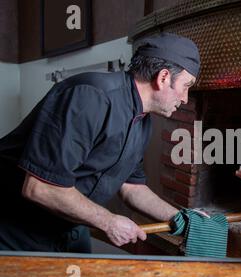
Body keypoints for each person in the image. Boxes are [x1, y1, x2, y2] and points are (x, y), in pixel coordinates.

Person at [0, 33, 207, 253]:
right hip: (13, 225)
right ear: (163, 77)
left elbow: (132, 187)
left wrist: (180, 217)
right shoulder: (90, 96)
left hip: (68, 224)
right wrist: (108, 221)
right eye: (186, 86)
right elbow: (40, 187)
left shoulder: (142, 122)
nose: (185, 98)